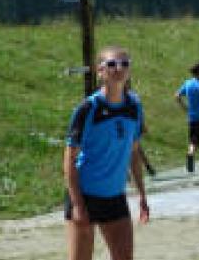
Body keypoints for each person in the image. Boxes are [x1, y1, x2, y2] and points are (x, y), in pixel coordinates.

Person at [64, 46, 150, 260]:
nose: (118, 68)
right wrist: (77, 205)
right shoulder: (88, 108)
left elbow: (134, 152)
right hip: (86, 195)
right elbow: (69, 160)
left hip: (114, 196)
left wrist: (142, 194)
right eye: (112, 64)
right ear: (100, 71)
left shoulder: (134, 106)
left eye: (124, 63)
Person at [175, 61, 199, 173]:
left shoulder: (188, 84)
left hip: (192, 117)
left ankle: (190, 153)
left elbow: (177, 96)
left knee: (193, 140)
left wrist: (185, 108)